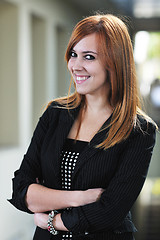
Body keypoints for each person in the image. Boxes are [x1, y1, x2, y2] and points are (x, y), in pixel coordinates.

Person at [9, 13, 157, 240]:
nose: (75, 65)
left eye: (89, 57)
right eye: (73, 54)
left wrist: (50, 219)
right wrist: (79, 198)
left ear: (115, 62)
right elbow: (21, 191)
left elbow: (110, 212)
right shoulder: (54, 114)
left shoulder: (139, 130)